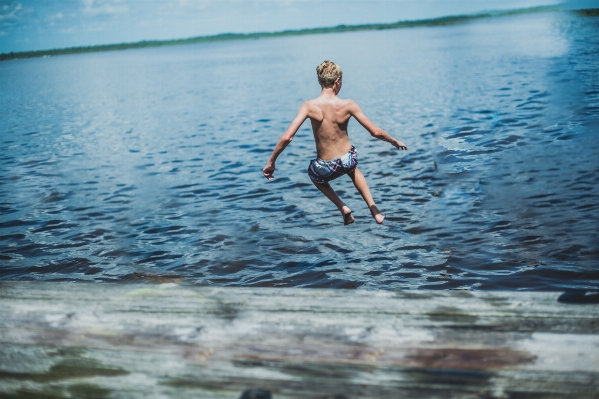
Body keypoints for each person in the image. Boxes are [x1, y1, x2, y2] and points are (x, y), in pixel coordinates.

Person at [262, 60, 407, 225]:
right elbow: (375, 132)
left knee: (313, 175)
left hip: (325, 166)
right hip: (348, 159)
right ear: (337, 81)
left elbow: (287, 137)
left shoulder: (309, 106)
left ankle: (343, 207)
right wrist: (394, 141)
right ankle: (375, 211)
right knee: (352, 169)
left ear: (320, 81)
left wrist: (271, 161)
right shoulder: (348, 104)